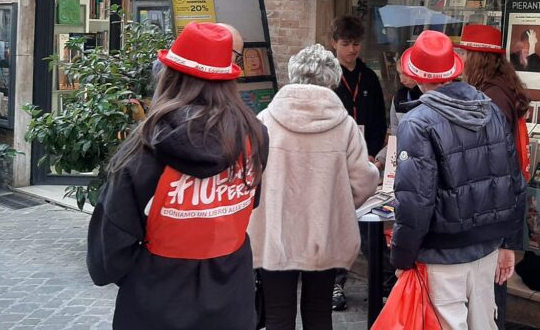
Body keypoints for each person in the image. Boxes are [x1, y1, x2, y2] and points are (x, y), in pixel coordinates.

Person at [87, 22, 268, 330]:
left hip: (157, 302)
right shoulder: (254, 136)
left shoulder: (143, 149)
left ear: (169, 75)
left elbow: (110, 250)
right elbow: (250, 202)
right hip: (231, 300)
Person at [391, 30, 526, 330]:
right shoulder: (490, 110)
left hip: (442, 253)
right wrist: (508, 242)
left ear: (417, 75)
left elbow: (415, 201)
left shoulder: (417, 122)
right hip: (486, 246)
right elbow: (514, 182)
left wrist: (402, 257)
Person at [248, 44, 379, 330]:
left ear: (294, 74)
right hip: (324, 232)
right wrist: (340, 203)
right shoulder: (344, 124)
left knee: (278, 314)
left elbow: (250, 178)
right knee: (319, 312)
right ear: (332, 79)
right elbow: (363, 180)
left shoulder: (265, 119)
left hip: (275, 233)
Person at [457, 24, 531, 329]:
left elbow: (499, 166)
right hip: (500, 205)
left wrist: (504, 241)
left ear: (477, 57)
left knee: (489, 298)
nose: (460, 58)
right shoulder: (500, 88)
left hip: (494, 208)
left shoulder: (491, 99)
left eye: (464, 52)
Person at [328, 15, 387, 310]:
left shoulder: (370, 77)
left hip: (367, 160)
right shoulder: (327, 78)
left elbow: (379, 119)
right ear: (333, 43)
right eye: (346, 43)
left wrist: (375, 154)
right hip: (336, 161)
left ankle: (383, 279)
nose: (352, 49)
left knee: (368, 223)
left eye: (356, 43)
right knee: (337, 225)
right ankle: (335, 284)